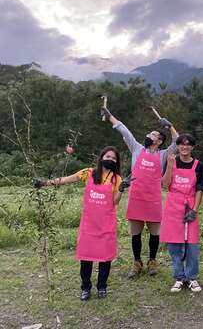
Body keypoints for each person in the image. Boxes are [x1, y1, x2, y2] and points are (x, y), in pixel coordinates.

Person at [33, 146, 133, 300]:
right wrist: (45, 183)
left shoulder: (116, 179)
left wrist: (121, 189)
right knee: (86, 257)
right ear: (101, 158)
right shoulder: (88, 173)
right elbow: (66, 179)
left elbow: (114, 202)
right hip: (89, 224)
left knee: (105, 258)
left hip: (106, 223)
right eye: (108, 156)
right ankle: (85, 287)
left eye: (114, 158)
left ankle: (102, 287)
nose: (110, 160)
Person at [101, 107, 178, 278]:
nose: (149, 136)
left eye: (153, 135)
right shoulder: (136, 148)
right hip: (136, 198)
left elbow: (177, 141)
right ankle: (137, 262)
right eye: (149, 133)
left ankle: (152, 261)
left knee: (154, 233)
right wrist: (110, 116)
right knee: (135, 233)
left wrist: (169, 126)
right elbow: (123, 129)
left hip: (154, 199)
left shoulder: (164, 155)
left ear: (159, 141)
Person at [160, 134, 203, 293]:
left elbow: (200, 188)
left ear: (192, 147)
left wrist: (195, 209)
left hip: (190, 205)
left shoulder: (199, 166)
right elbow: (165, 184)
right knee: (174, 244)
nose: (184, 147)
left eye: (188, 145)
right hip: (173, 206)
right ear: (178, 146)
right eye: (181, 144)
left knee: (192, 244)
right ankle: (179, 277)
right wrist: (170, 166)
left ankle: (192, 277)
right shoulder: (171, 161)